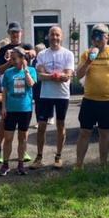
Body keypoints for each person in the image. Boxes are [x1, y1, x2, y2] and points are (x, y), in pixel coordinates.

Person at [74, 24, 109, 169]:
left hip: (107, 101)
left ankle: (103, 165)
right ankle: (78, 164)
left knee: (104, 132)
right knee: (84, 132)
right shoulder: (86, 53)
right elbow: (79, 75)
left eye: (99, 37)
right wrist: (89, 60)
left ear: (106, 37)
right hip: (89, 100)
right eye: (94, 37)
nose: (96, 40)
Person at [31, 27, 74, 170]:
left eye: (57, 35)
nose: (54, 37)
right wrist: (56, 76)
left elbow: (67, 76)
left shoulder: (68, 54)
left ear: (61, 37)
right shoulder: (42, 54)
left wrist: (49, 75)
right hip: (45, 95)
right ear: (48, 37)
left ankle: (58, 156)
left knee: (60, 125)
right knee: (41, 126)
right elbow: (39, 76)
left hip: (62, 95)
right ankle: (39, 156)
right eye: (52, 35)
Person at [0, 22, 35, 164]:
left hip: (23, 92)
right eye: (12, 32)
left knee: (23, 130)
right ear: (9, 33)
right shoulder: (4, 49)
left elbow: (33, 53)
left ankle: (22, 152)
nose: (15, 34)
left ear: (21, 32)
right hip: (8, 88)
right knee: (3, 123)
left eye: (17, 32)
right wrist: (10, 61)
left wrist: (23, 54)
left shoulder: (27, 46)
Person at [0, 47, 37, 176]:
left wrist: (25, 70)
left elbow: (31, 84)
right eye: (11, 59)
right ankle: (5, 164)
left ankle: (21, 164)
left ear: (22, 59)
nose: (13, 61)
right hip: (10, 110)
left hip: (25, 109)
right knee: (8, 138)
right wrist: (3, 107)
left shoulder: (31, 70)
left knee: (22, 138)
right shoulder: (8, 73)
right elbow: (4, 91)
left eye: (15, 59)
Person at [30, 43, 46, 129]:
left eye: (35, 50)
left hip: (41, 84)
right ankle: (39, 121)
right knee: (38, 104)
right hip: (37, 85)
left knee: (41, 104)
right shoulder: (35, 60)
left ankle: (41, 120)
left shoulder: (39, 60)